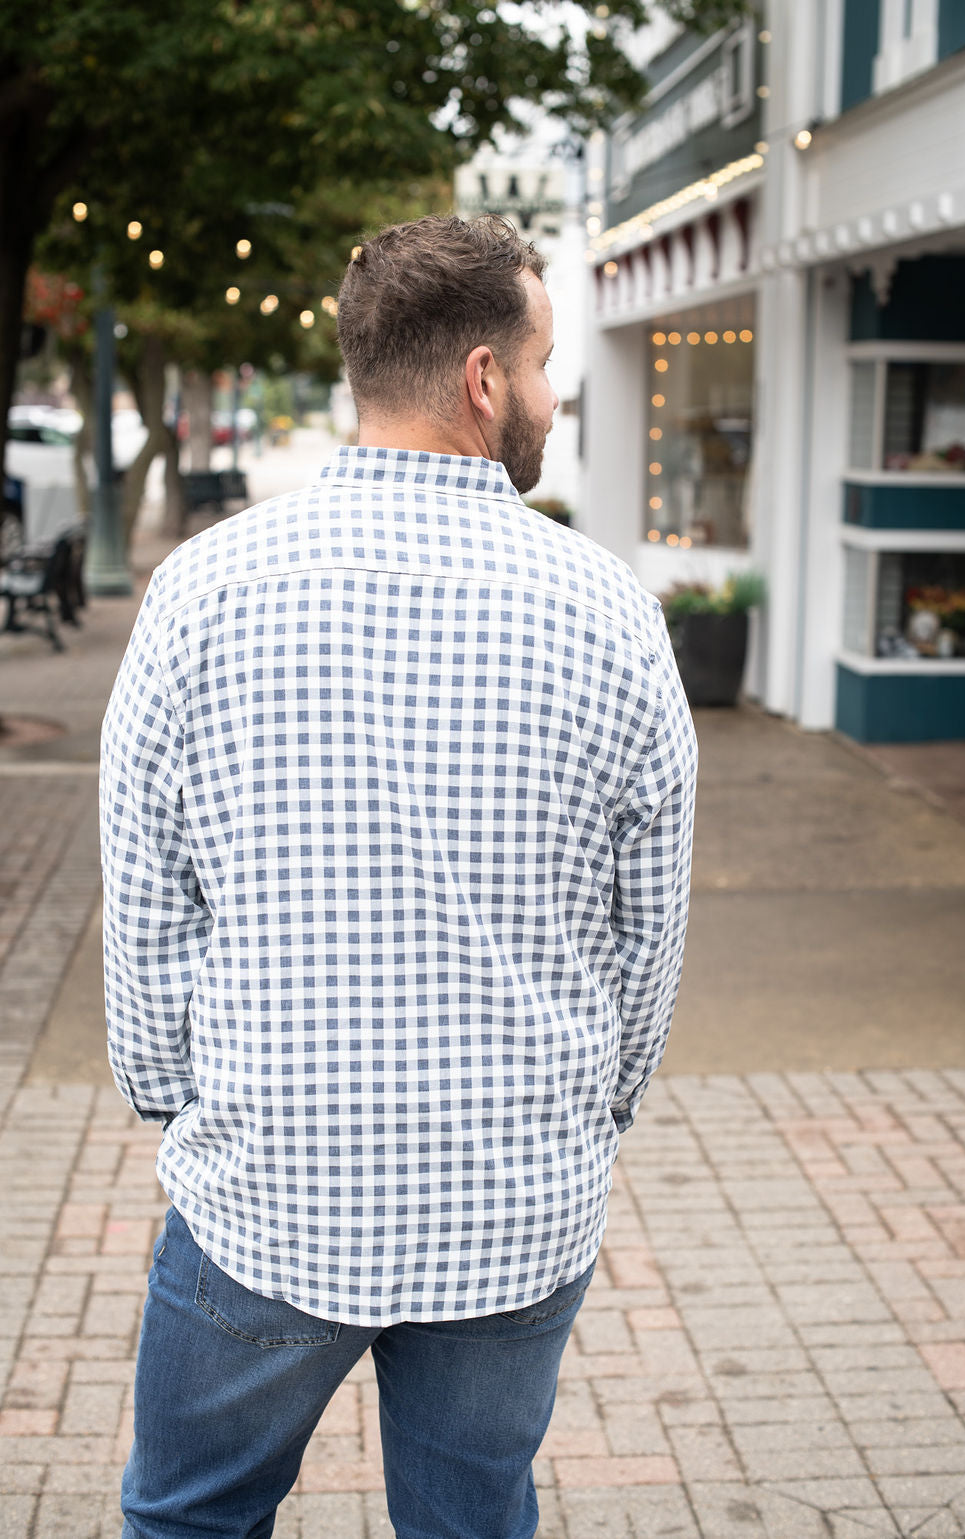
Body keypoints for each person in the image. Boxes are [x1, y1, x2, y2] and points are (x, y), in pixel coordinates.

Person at [100, 213, 698, 1539]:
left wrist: (177, 1097)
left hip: (272, 1183)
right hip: (515, 1191)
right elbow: (645, 932)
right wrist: (590, 1108)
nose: (552, 397)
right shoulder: (611, 614)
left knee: (193, 1517)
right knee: (471, 1518)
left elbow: (146, 897)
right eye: (545, 366)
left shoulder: (198, 594)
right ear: (486, 380)